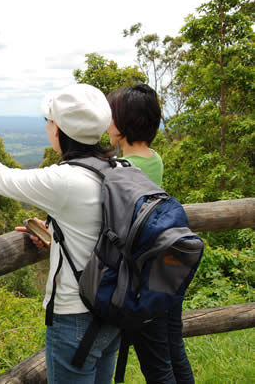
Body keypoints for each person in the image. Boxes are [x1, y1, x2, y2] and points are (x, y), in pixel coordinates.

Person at [0, 84, 120, 383]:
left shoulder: (66, 179)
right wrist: (57, 234)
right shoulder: (119, 167)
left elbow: (1, 179)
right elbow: (99, 229)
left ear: (59, 129)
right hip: (114, 309)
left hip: (76, 317)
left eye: (49, 121)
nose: (48, 127)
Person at [107, 83, 195, 384]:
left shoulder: (122, 170)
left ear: (123, 125)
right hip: (168, 265)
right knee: (174, 348)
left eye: (111, 116)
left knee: (157, 363)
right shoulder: (153, 158)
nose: (107, 123)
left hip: (143, 275)